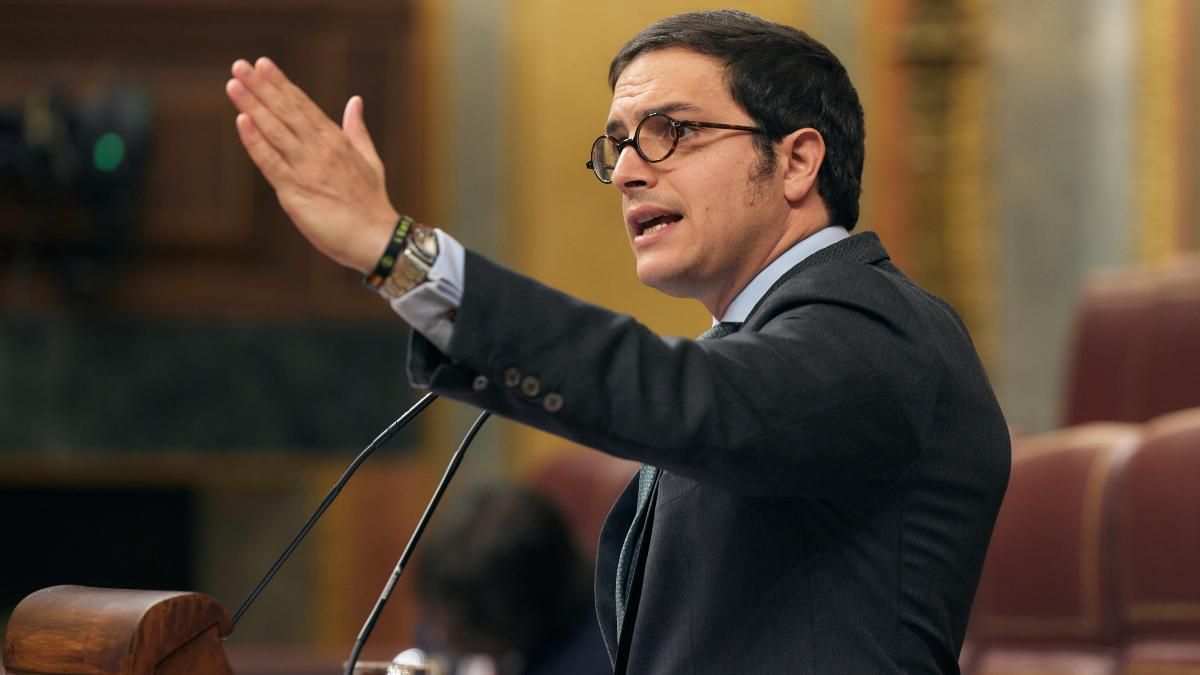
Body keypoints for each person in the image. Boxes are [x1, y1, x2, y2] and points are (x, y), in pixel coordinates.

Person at [224, 10, 1010, 673]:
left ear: (798, 160)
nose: (630, 170)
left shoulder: (879, 329)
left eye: (671, 131)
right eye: (620, 143)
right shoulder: (762, 348)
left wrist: (401, 254)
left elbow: (681, 397)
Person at [415, 485, 611, 675]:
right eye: (435, 612)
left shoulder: (597, 656)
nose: (439, 634)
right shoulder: (450, 601)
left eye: (463, 627)